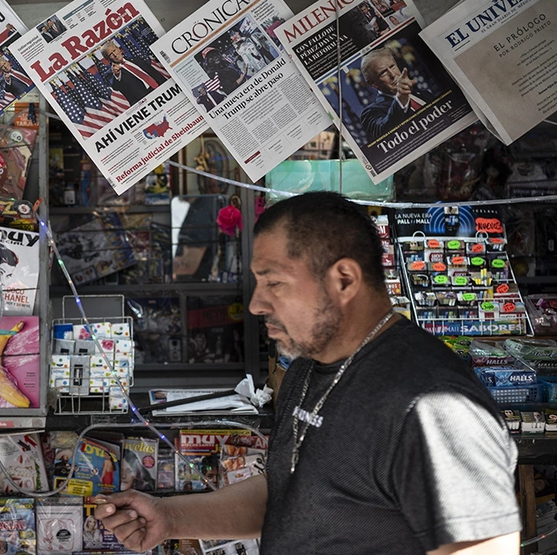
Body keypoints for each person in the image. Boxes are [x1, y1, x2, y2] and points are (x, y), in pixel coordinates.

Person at [95, 192, 520, 554]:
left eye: (274, 282)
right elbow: (289, 494)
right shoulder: (306, 370)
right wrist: (168, 518)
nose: (257, 304)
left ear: (344, 280)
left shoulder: (433, 405)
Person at [359, 46, 436, 142]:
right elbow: (384, 131)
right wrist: (401, 98)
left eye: (392, 66)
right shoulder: (370, 113)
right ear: (373, 84)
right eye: (383, 73)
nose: (392, 74)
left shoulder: (424, 94)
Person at [101, 41, 166, 89]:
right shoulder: (111, 74)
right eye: (110, 54)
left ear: (118, 49)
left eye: (114, 50)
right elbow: (116, 87)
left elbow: (154, 73)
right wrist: (117, 75)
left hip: (161, 86)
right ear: (108, 59)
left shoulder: (136, 59)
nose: (115, 55)